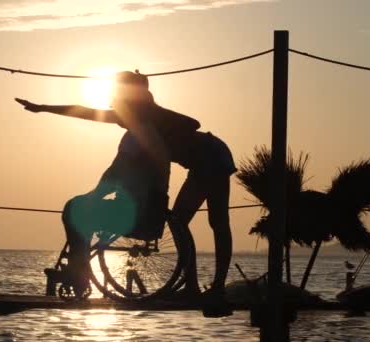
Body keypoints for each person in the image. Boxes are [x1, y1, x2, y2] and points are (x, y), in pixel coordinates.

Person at [15, 71, 236, 315]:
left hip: (213, 156)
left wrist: (160, 192)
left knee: (216, 222)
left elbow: (191, 126)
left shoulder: (148, 117)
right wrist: (43, 108)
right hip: (201, 160)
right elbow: (85, 112)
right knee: (181, 224)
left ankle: (217, 288)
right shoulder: (136, 118)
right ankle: (192, 287)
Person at [17, 82, 171, 298]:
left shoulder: (135, 137)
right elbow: (86, 112)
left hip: (132, 211)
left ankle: (78, 273)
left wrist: (95, 195)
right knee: (83, 208)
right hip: (149, 209)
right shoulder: (154, 135)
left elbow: (115, 172)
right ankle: (78, 269)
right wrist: (43, 107)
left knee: (74, 208)